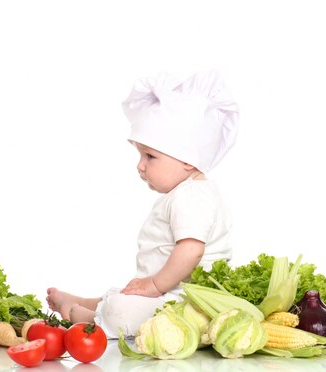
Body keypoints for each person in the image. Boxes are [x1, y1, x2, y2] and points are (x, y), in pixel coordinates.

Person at [47, 70, 239, 338]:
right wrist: (150, 287)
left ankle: (84, 316)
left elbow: (192, 249)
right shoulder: (186, 193)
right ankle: (89, 302)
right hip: (166, 293)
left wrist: (154, 284)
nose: (140, 165)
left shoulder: (192, 196)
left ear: (187, 159)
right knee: (128, 298)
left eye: (150, 156)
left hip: (187, 301)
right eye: (140, 155)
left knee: (125, 310)